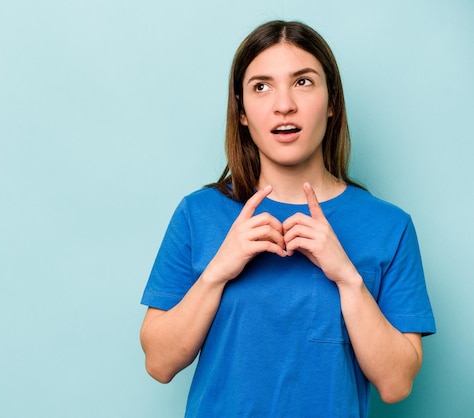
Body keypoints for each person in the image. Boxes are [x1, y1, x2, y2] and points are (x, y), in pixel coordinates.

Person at [139, 20, 436, 417]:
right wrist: (217, 272)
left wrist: (347, 278)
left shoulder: (390, 226)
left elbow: (397, 384)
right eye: (261, 86)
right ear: (241, 111)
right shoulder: (198, 213)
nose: (284, 105)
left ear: (332, 102)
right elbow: (159, 364)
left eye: (303, 82)